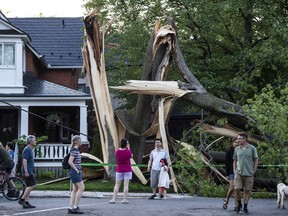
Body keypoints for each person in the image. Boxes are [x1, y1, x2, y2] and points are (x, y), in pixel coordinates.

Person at [233, 132, 258, 215]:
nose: (238, 140)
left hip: (249, 173)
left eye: (240, 139)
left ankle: (245, 208)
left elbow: (256, 159)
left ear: (245, 139)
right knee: (237, 189)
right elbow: (235, 160)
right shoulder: (237, 149)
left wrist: (254, 171)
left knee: (247, 191)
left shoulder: (252, 148)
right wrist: (234, 170)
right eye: (238, 138)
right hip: (239, 172)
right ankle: (239, 205)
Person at [109, 138, 133, 204]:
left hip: (119, 169)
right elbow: (131, 156)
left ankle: (113, 199)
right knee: (126, 185)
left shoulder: (117, 151)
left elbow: (116, 157)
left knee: (117, 184)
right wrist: (129, 148)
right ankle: (124, 199)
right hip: (127, 169)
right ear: (126, 144)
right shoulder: (128, 151)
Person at [18, 135, 37, 209]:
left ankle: (26, 202)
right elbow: (24, 160)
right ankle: (22, 199)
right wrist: (26, 171)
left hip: (30, 171)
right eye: (34, 140)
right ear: (30, 141)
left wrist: (33, 171)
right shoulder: (27, 149)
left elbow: (31, 162)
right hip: (27, 171)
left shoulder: (30, 149)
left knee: (29, 186)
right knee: (32, 185)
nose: (35, 141)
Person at [68, 135, 85, 214]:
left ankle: (71, 208)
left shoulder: (75, 150)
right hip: (75, 172)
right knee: (81, 188)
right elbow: (70, 161)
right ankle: (75, 207)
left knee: (75, 190)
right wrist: (77, 170)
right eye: (80, 140)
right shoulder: (74, 150)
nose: (81, 141)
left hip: (76, 172)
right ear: (76, 141)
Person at [223, 137, 239, 211]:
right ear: (232, 143)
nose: (237, 144)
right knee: (232, 187)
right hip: (231, 172)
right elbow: (226, 163)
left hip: (239, 172)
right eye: (235, 142)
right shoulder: (229, 151)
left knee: (236, 189)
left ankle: (236, 205)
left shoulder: (240, 150)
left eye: (238, 143)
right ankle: (227, 200)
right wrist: (227, 174)